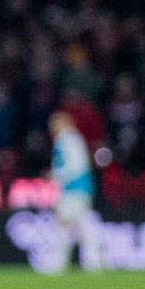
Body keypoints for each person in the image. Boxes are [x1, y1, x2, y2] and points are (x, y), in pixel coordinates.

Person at [48, 110, 104, 273]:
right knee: (74, 226)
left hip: (75, 189)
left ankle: (88, 261)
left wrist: (56, 175)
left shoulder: (69, 139)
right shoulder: (68, 139)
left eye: (55, 122)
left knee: (73, 225)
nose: (52, 126)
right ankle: (87, 261)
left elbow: (76, 166)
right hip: (74, 189)